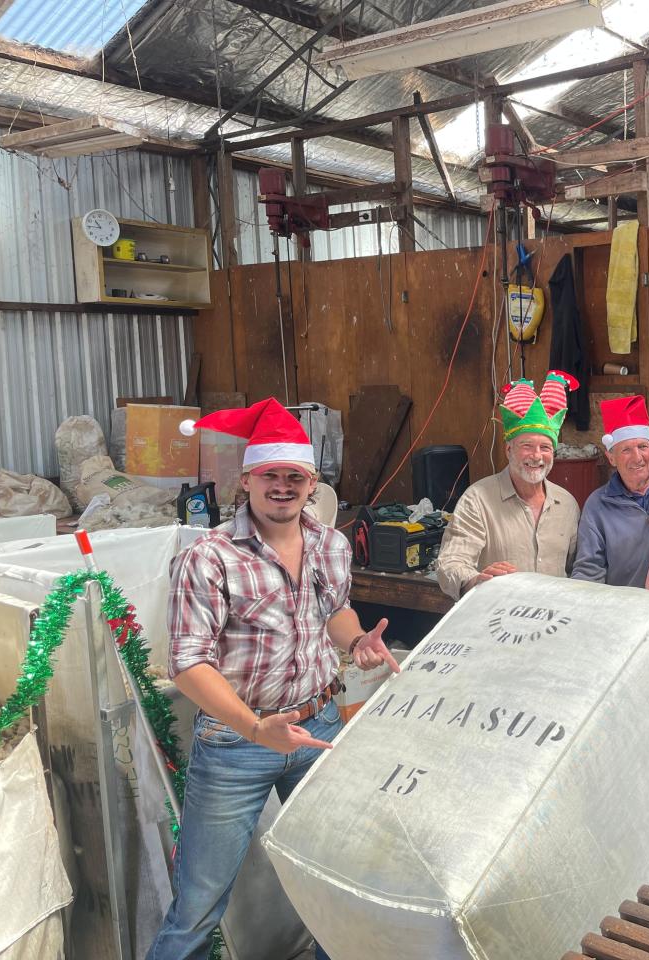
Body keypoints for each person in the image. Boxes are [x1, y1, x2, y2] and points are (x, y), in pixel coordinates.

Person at [150, 398, 399, 959]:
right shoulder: (210, 557)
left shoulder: (331, 545)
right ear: (247, 481)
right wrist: (257, 727)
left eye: (295, 477)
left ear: (312, 484)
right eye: (271, 476)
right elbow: (188, 663)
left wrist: (357, 641)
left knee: (339, 884)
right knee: (198, 907)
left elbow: (333, 611)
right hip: (236, 743)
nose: (283, 487)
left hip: (319, 730)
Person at [437, 372, 580, 599]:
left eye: (545, 447)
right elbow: (450, 563)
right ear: (508, 450)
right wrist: (475, 580)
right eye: (527, 445)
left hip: (552, 624)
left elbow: (574, 570)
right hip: (497, 624)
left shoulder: (567, 504)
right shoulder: (478, 500)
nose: (536, 456)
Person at [572, 395, 649, 587]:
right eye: (626, 450)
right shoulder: (597, 505)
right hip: (627, 610)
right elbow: (589, 571)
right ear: (611, 458)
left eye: (642, 446)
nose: (637, 457)